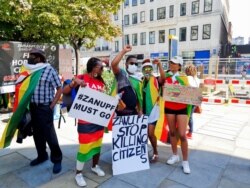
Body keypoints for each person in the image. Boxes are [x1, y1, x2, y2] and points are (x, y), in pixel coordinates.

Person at [63, 57, 106, 187]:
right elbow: (64, 91)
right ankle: (78, 173)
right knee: (84, 147)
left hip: (98, 120)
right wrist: (74, 83)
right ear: (92, 67)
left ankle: (95, 166)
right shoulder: (81, 77)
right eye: (100, 66)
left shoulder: (101, 82)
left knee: (97, 145)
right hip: (84, 121)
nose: (102, 69)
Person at [27, 48, 63, 174]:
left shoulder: (49, 70)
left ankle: (57, 159)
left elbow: (59, 88)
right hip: (33, 107)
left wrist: (52, 105)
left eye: (32, 56)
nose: (30, 58)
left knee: (49, 135)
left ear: (39, 58)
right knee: (37, 134)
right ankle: (42, 156)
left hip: (45, 107)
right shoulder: (30, 70)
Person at [164, 56, 191, 174]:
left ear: (179, 65)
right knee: (172, 132)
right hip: (169, 107)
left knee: (182, 134)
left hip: (181, 108)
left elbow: (190, 93)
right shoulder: (166, 76)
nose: (172, 64)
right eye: (171, 63)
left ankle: (185, 161)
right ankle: (175, 155)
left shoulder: (184, 78)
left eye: (174, 63)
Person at [140, 58, 165, 163]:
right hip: (143, 111)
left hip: (153, 111)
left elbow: (163, 78)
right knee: (143, 134)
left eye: (149, 68)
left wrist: (159, 64)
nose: (147, 70)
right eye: (145, 68)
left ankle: (155, 152)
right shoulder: (141, 80)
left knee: (150, 133)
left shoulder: (155, 79)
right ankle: (142, 153)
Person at [111, 45, 142, 116]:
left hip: (134, 113)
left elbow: (139, 97)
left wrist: (140, 109)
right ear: (126, 64)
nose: (134, 65)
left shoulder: (138, 78)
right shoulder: (121, 74)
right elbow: (114, 64)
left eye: (136, 64)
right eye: (131, 63)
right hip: (121, 113)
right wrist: (123, 51)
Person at [185, 64, 200, 139]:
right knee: (190, 115)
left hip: (188, 99)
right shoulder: (197, 79)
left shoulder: (187, 78)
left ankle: (190, 132)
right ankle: (189, 130)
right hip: (195, 99)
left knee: (188, 116)